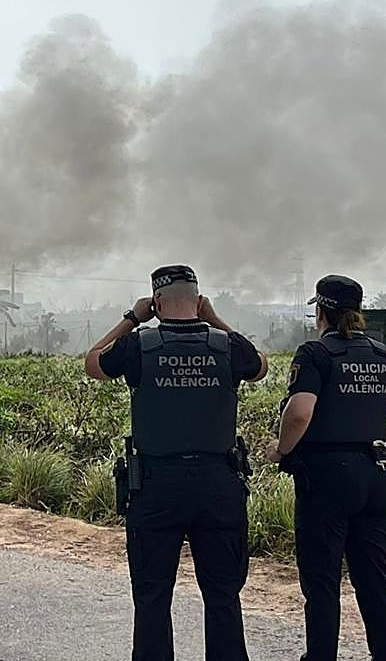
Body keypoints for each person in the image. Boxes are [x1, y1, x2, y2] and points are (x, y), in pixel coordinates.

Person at [86, 265, 268, 661]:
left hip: (156, 485)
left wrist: (132, 319)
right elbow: (260, 366)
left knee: (152, 595)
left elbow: (93, 363)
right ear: (198, 301)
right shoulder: (227, 347)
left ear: (157, 302)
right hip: (219, 484)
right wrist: (215, 319)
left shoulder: (138, 345)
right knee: (222, 595)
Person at [266, 275, 386, 661]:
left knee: (322, 582)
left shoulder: (314, 353)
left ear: (320, 311)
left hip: (326, 480)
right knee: (374, 579)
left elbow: (299, 413)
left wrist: (281, 449)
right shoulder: (383, 355)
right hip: (376, 478)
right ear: (357, 312)